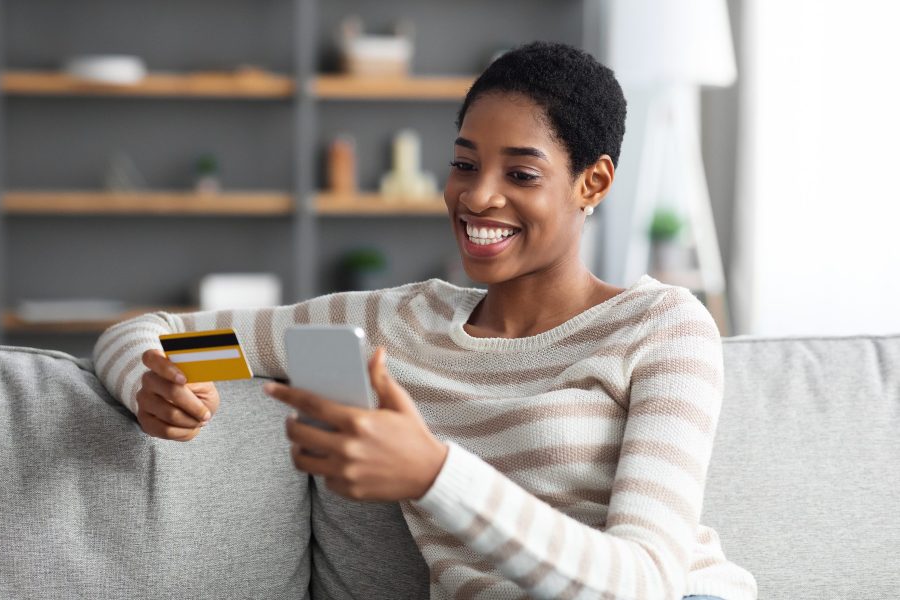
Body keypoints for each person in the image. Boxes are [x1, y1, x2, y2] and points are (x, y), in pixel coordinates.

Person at [93, 41, 756, 600]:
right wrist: (152, 387)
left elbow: (646, 581)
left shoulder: (660, 325)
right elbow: (159, 336)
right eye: (464, 164)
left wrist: (434, 475)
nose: (477, 195)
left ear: (594, 183)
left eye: (521, 173)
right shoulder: (398, 326)